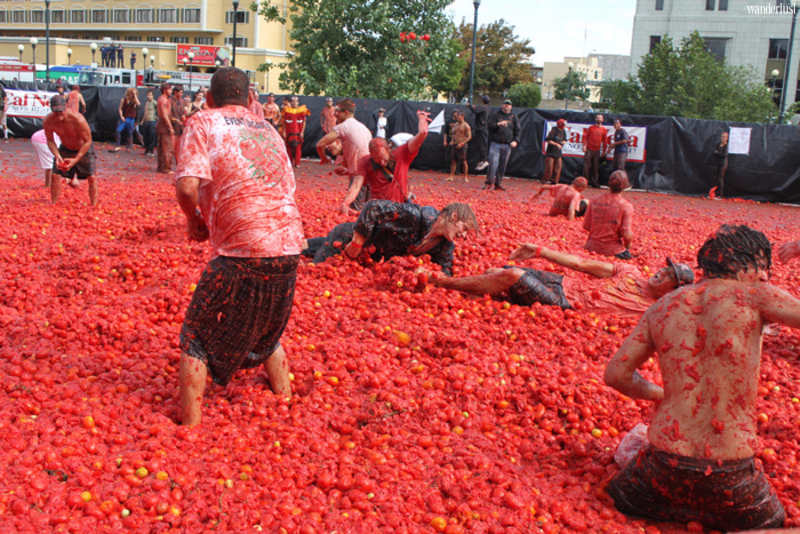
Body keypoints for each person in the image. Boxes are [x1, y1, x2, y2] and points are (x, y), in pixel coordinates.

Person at [604, 225, 799, 531]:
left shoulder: (663, 306)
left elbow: (616, 375)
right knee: (774, 524)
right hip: (730, 477)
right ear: (739, 262)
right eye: (763, 267)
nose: (765, 277)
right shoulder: (755, 296)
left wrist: (662, 395)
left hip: (662, 468)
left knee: (615, 503)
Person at [175, 67, 304, 427]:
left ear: (209, 98)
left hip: (242, 248)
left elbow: (187, 187)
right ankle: (285, 403)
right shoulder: (269, 129)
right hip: (290, 245)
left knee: (195, 338)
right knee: (267, 330)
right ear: (250, 99)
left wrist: (193, 219)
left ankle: (190, 427)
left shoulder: (203, 121)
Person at [430, 243, 692, 319]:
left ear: (675, 291)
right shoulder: (631, 271)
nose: (662, 273)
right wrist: (540, 252)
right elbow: (582, 264)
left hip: (565, 303)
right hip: (565, 284)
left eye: (671, 277)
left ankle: (444, 283)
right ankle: (480, 292)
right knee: (494, 271)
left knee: (511, 276)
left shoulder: (655, 310)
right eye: (666, 268)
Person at [309, 200, 480, 276]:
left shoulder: (445, 245)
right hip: (347, 238)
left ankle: (305, 245)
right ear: (454, 216)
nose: (463, 235)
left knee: (313, 251)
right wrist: (355, 244)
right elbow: (373, 207)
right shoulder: (415, 215)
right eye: (464, 228)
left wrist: (429, 274)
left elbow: (445, 270)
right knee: (318, 273)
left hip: (368, 258)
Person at [337, 110, 430, 215]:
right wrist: (346, 202)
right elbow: (356, 184)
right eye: (377, 160)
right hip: (377, 212)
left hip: (400, 210)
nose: (381, 163)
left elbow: (423, 133)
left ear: (389, 150)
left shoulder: (402, 154)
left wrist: (421, 116)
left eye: (384, 159)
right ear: (371, 155)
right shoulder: (365, 161)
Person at [316, 98, 372, 208]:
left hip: (359, 178)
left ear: (346, 112)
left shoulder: (343, 127)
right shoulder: (363, 128)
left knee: (355, 212)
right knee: (368, 211)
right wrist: (347, 171)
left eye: (337, 111)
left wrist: (324, 158)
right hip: (371, 176)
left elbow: (319, 144)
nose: (335, 114)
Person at [43, 95, 98, 206]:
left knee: (91, 177)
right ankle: (54, 203)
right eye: (55, 112)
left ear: (65, 107)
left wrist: (76, 159)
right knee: (55, 175)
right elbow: (50, 140)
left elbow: (88, 141)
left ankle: (94, 205)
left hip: (83, 148)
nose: (58, 116)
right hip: (65, 147)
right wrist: (57, 156)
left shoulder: (77, 119)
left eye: (60, 112)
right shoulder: (49, 121)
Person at [583, 170, 634, 259]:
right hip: (613, 251)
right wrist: (627, 248)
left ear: (609, 184)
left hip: (591, 248)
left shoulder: (594, 200)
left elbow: (586, 226)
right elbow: (627, 235)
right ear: (625, 186)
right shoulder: (626, 206)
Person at [484, 99, 521, 192]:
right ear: (502, 105)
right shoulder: (495, 115)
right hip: (495, 143)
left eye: (508, 104)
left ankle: (498, 183)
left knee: (503, 165)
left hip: (507, 145)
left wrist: (516, 141)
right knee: (493, 163)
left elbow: (518, 130)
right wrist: (498, 124)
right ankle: (489, 183)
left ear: (511, 107)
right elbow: (489, 126)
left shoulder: (514, 117)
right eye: (505, 104)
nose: (506, 106)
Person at [281, 95, 310, 167]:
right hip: (289, 132)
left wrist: (302, 132)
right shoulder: (286, 110)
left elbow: (304, 122)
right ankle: (290, 163)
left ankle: (297, 163)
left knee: (298, 148)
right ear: (290, 102)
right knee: (289, 148)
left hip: (298, 132)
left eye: (296, 101)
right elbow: (283, 122)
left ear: (298, 102)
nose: (294, 103)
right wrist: (284, 131)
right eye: (293, 101)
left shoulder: (302, 110)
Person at [583, 114, 609, 188]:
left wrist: (604, 151)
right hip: (589, 149)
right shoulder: (591, 128)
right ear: (595, 119)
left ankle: (595, 182)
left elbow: (605, 141)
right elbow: (585, 137)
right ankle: (585, 182)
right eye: (597, 117)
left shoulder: (604, 129)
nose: (598, 119)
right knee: (586, 167)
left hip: (597, 150)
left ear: (602, 120)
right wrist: (584, 145)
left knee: (595, 167)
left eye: (600, 118)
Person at [446, 110, 472, 182]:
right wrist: (452, 141)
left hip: (462, 145)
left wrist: (462, 143)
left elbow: (469, 137)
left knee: (464, 161)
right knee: (453, 160)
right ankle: (451, 176)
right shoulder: (456, 124)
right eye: (456, 117)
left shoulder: (466, 126)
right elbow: (454, 134)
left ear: (463, 117)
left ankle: (465, 177)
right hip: (455, 144)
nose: (457, 118)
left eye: (459, 117)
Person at [467, 95, 491, 170]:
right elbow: (477, 110)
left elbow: (475, 111)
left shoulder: (484, 107)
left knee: (482, 145)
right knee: (479, 145)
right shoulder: (486, 108)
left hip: (481, 129)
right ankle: (481, 160)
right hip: (480, 129)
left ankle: (484, 160)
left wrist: (469, 106)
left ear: (482, 100)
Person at [113, 87, 140, 152]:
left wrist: (135, 95)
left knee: (130, 133)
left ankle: (129, 146)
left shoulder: (134, 101)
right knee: (118, 131)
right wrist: (121, 116)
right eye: (130, 93)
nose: (131, 94)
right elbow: (120, 108)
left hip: (131, 118)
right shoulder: (123, 99)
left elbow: (138, 104)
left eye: (132, 93)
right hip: (124, 118)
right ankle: (117, 145)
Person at [542, 118, 568, 185]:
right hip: (551, 153)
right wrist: (556, 144)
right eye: (564, 125)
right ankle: (545, 180)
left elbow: (565, 139)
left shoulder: (564, 131)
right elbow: (548, 140)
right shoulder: (553, 130)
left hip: (558, 153)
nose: (565, 126)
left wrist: (563, 142)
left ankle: (555, 181)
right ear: (560, 125)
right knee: (549, 168)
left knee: (558, 168)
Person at [156, 83, 174, 174]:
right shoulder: (163, 100)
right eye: (170, 89)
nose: (171, 91)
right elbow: (164, 114)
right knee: (167, 147)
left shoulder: (162, 99)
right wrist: (170, 126)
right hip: (164, 125)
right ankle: (166, 168)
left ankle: (161, 166)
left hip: (161, 124)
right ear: (165, 90)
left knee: (161, 147)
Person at [710, 131, 729, 198]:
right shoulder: (718, 145)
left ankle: (720, 195)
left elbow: (724, 154)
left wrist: (717, 153)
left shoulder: (726, 145)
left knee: (720, 179)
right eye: (722, 137)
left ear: (727, 138)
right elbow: (713, 152)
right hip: (717, 163)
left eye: (724, 137)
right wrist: (718, 153)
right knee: (715, 178)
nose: (723, 138)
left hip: (723, 164)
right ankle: (712, 194)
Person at [171, 85, 186, 166]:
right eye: (180, 93)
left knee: (179, 148)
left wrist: (183, 116)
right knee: (172, 148)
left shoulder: (182, 101)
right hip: (173, 126)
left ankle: (178, 165)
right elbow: (168, 115)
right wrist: (175, 120)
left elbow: (183, 112)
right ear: (175, 92)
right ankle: (168, 166)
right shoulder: (170, 101)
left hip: (180, 127)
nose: (181, 94)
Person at [140, 89, 158, 157]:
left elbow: (159, 109)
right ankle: (147, 149)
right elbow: (145, 112)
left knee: (151, 136)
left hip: (152, 121)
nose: (148, 96)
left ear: (152, 96)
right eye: (147, 95)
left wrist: (156, 116)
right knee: (145, 136)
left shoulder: (154, 103)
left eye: (150, 95)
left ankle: (151, 150)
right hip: (146, 121)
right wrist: (142, 120)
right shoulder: (147, 103)